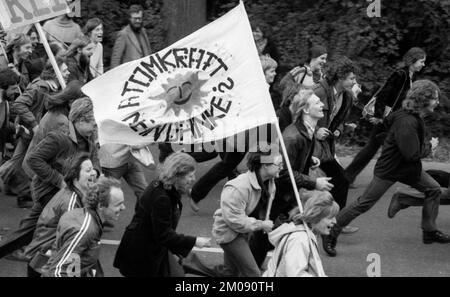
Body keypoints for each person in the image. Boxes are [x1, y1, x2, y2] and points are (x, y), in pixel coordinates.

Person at [322, 80, 450, 257]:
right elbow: (411, 154)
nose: (437, 102)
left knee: (434, 189)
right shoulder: (407, 121)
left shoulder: (410, 116)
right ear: (424, 99)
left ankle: (429, 230)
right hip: (390, 170)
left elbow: (387, 124)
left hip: (409, 169)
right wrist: (430, 147)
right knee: (364, 204)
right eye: (435, 98)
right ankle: (331, 232)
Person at [0, 97, 100, 259]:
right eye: (93, 124)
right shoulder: (59, 137)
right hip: (50, 191)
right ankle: (46, 258)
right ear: (81, 120)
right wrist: (59, 180)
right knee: (68, 226)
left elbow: (95, 158)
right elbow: (34, 159)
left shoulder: (89, 139)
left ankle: (38, 256)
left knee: (31, 230)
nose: (95, 128)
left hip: (68, 193)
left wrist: (95, 171)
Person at [249, 89, 332, 267]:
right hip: (276, 194)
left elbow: (293, 160)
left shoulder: (308, 131)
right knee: (263, 235)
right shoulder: (292, 136)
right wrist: (314, 182)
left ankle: (258, 266)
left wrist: (310, 160)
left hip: (286, 193)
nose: (322, 105)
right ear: (306, 110)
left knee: (270, 233)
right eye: (317, 102)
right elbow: (284, 172)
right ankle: (249, 272)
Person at [113, 152, 211, 277]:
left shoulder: (163, 187)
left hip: (150, 248)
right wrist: (195, 241)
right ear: (177, 176)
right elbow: (164, 235)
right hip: (142, 255)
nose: (194, 179)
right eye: (190, 176)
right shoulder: (162, 198)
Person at [345, 47, 426, 185]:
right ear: (413, 60)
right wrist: (378, 116)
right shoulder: (401, 74)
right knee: (376, 148)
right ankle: (348, 177)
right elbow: (383, 94)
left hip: (394, 118)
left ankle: (347, 177)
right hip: (386, 118)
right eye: (421, 61)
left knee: (374, 148)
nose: (423, 65)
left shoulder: (411, 75)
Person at [0, 57, 70, 208]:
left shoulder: (54, 88)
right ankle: (32, 196)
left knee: (19, 163)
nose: (67, 73)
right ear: (54, 72)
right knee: (26, 164)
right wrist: (34, 125)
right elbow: (19, 104)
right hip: (32, 134)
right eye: (64, 70)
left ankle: (23, 193)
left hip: (33, 134)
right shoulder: (40, 87)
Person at [212, 146, 281, 277]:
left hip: (244, 231)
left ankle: (191, 266)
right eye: (279, 164)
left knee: (230, 272)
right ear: (265, 165)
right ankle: (191, 265)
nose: (282, 167)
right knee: (253, 274)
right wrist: (261, 225)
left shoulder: (270, 183)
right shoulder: (238, 188)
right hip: (230, 233)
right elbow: (235, 221)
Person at [23, 155, 97, 277]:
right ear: (74, 176)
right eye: (88, 170)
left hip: (45, 261)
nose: (94, 173)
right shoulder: (71, 202)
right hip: (45, 264)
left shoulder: (75, 194)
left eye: (92, 168)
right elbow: (73, 243)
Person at [41, 177, 125, 277]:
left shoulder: (86, 217)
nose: (123, 208)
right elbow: (60, 271)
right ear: (101, 206)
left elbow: (74, 262)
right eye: (118, 204)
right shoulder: (85, 230)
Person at [312, 56, 358, 234]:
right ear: (340, 77)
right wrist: (315, 130)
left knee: (341, 181)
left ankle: (336, 222)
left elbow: (339, 119)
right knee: (299, 184)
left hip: (324, 148)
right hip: (308, 147)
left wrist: (339, 129)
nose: (354, 81)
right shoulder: (320, 91)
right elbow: (299, 112)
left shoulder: (346, 96)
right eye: (351, 78)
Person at [263, 191, 339, 277]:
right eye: (330, 217)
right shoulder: (300, 239)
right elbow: (295, 274)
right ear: (316, 216)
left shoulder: (305, 233)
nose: (335, 221)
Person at [110, 4, 152, 69]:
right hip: (130, 75)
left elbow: (149, 52)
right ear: (130, 18)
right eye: (135, 19)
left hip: (147, 73)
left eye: (139, 18)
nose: (138, 21)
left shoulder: (143, 32)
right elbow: (115, 60)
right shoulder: (123, 34)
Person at [0, 69, 20, 164]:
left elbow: (4, 125)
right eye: (13, 89)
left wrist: (16, 128)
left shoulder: (6, 104)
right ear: (2, 89)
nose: (16, 91)